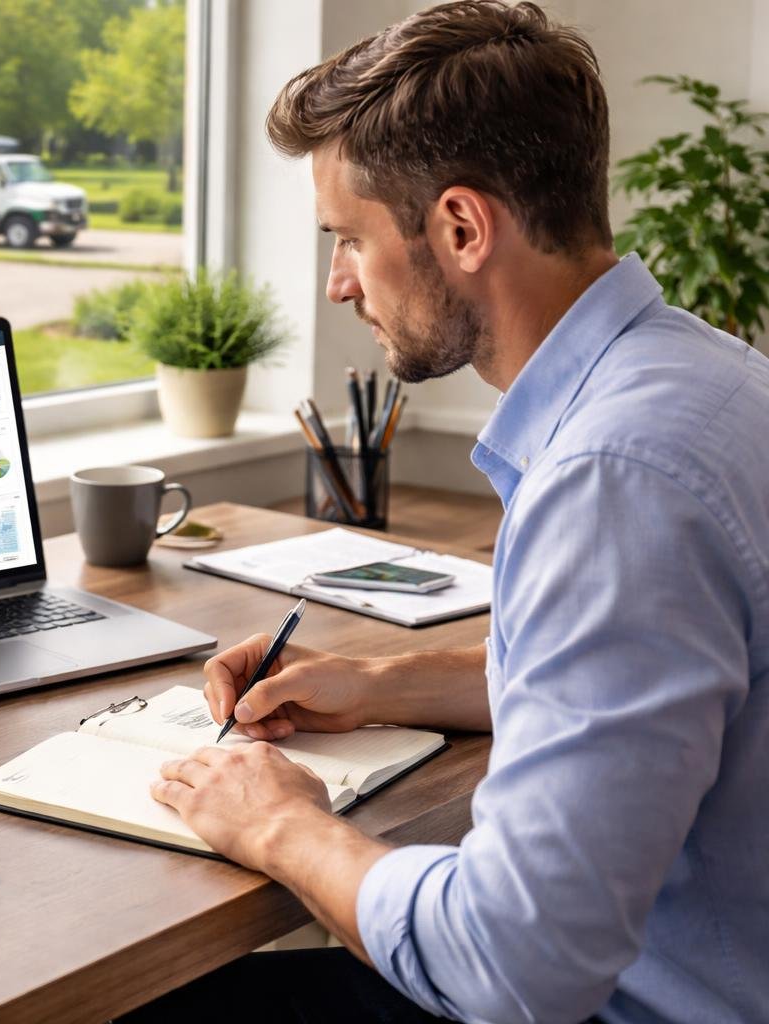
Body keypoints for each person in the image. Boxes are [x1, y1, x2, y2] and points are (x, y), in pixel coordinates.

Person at [126, 3, 769, 1022]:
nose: (337, 283)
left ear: (461, 228)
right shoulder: (707, 375)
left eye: (348, 238)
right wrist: (378, 684)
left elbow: (514, 967)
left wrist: (279, 825)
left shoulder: (615, 476)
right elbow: (639, 687)